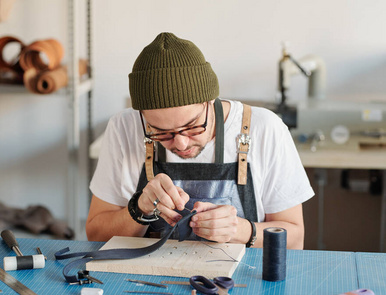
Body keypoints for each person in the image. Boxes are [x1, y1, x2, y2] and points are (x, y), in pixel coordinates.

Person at [86, 32, 314, 249]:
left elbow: (295, 239)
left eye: (193, 126)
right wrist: (138, 210)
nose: (180, 144)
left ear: (210, 100)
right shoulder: (124, 127)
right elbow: (95, 235)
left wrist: (240, 230)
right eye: (161, 132)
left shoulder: (264, 128)